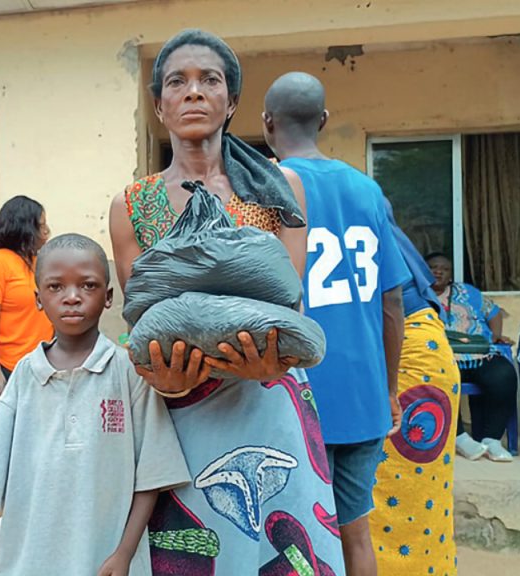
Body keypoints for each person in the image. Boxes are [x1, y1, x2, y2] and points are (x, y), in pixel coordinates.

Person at [109, 30, 345, 575]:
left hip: (271, 400)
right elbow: (142, 319)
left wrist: (273, 362)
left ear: (232, 102)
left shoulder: (278, 188)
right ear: (159, 105)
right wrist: (167, 377)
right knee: (199, 552)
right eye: (177, 82)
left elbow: (292, 305)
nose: (193, 92)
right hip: (182, 413)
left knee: (281, 550)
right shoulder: (131, 204)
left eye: (209, 80)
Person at [264, 71, 409, 576]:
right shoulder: (367, 190)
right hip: (362, 395)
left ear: (266, 124)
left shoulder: (267, 186)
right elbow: (393, 303)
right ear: (323, 121)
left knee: (290, 534)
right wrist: (388, 390)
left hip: (294, 393)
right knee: (356, 533)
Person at [0, 233, 189, 576]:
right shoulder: (24, 377)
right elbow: (6, 489)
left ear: (108, 297)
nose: (72, 298)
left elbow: (151, 476)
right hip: (33, 556)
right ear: (38, 299)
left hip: (104, 558)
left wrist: (124, 553)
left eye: (88, 286)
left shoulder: (128, 374)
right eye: (56, 287)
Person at [370, 200, 462, 576]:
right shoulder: (367, 206)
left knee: (395, 497)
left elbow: (390, 304)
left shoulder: (321, 206)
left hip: (405, 359)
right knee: (418, 500)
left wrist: (390, 389)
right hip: (425, 354)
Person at [426, 253, 517, 462]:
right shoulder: (416, 295)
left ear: (450, 275)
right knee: (440, 377)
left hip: (478, 353)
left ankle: (492, 439)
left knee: (504, 374)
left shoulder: (468, 292)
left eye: (444, 269)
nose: (438, 271)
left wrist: (493, 338)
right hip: (441, 355)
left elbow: (493, 312)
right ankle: (459, 437)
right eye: (432, 267)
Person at [0, 196, 53, 401]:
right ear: (25, 228)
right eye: (41, 226)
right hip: (11, 367)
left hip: (46, 364)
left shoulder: (42, 263)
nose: (46, 232)